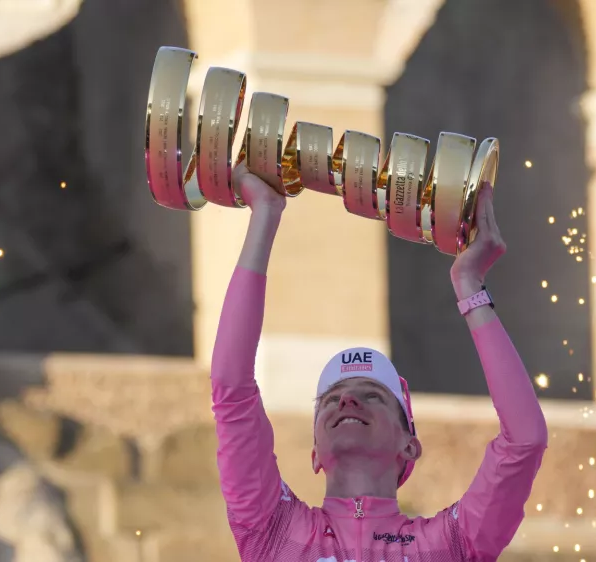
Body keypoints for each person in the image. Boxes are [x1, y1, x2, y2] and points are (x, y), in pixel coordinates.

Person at [210, 162, 549, 562]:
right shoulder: (272, 528)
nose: (347, 402)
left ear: (410, 446)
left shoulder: (448, 545)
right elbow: (231, 390)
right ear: (315, 452)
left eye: (372, 396)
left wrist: (470, 287)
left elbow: (525, 440)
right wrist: (264, 215)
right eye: (332, 399)